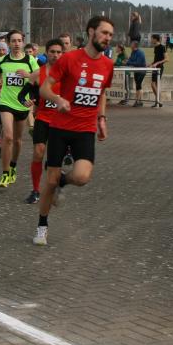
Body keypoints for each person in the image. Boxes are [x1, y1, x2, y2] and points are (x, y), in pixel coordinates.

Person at [33, 16, 115, 246]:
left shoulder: (108, 65)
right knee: (49, 182)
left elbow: (102, 92)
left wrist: (102, 118)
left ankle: (63, 180)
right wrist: (58, 99)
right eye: (104, 33)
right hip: (60, 127)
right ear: (91, 32)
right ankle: (42, 225)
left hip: (85, 129)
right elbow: (44, 89)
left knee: (82, 177)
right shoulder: (69, 59)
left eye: (110, 34)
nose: (108, 38)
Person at [17, 38, 64, 204]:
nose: (55, 55)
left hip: (61, 121)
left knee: (55, 158)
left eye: (58, 52)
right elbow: (21, 95)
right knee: (38, 153)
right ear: (47, 53)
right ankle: (36, 190)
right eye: (52, 52)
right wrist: (26, 102)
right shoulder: (38, 73)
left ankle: (53, 186)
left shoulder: (68, 74)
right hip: (43, 118)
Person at [0, 30, 37, 188]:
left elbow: (38, 79)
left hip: (22, 104)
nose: (17, 44)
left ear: (23, 42)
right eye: (13, 41)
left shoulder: (30, 60)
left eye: (19, 41)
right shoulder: (2, 60)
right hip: (6, 102)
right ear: (9, 43)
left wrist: (28, 75)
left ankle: (13, 166)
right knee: (8, 137)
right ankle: (5, 173)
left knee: (17, 140)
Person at [148, 34, 168, 107]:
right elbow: (156, 59)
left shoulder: (162, 47)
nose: (151, 40)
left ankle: (159, 100)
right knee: (155, 85)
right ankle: (158, 101)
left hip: (159, 68)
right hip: (155, 68)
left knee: (153, 84)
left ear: (155, 39)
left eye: (152, 38)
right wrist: (150, 64)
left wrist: (157, 63)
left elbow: (166, 59)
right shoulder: (155, 47)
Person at [126, 41, 146, 107]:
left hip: (141, 71)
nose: (130, 45)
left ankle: (137, 101)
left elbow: (138, 63)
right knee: (138, 85)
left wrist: (129, 62)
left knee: (138, 85)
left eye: (131, 44)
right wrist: (129, 62)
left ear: (134, 45)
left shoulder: (140, 53)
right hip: (136, 71)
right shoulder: (133, 52)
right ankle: (139, 101)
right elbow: (130, 60)